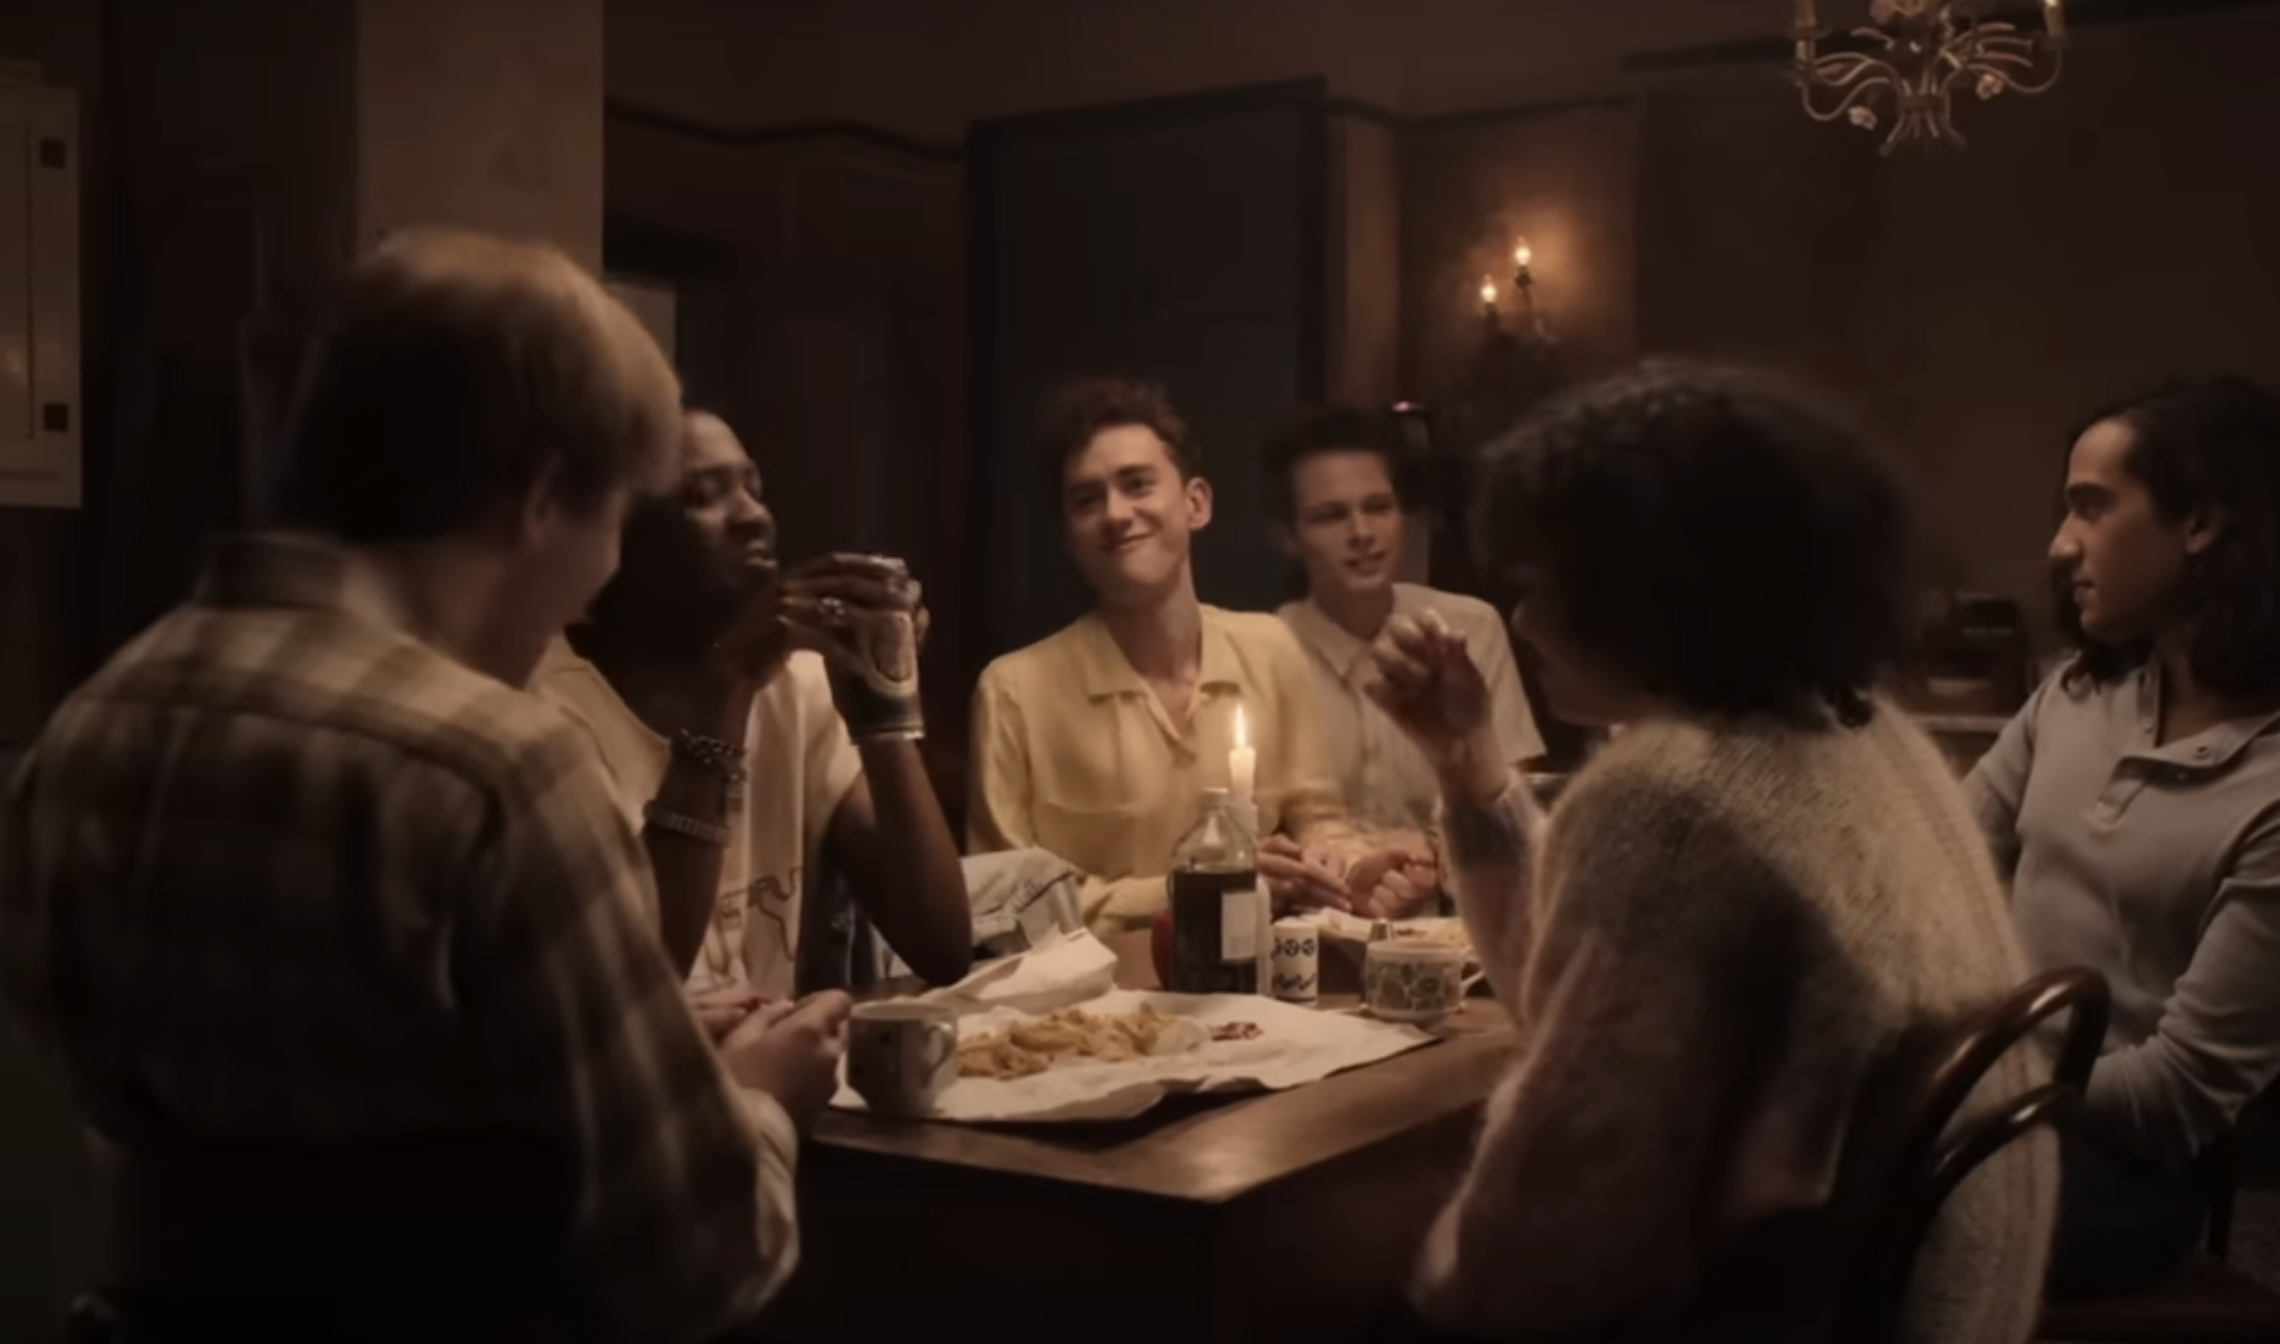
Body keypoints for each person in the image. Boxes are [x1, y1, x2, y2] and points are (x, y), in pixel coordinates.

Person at [0, 230, 841, 1343]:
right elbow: (694, 1255)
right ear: (540, 498)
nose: (598, 576)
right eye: (609, 522)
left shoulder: (89, 724)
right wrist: (754, 1101)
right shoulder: (494, 770)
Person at [1365, 360, 2054, 1342]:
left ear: (1652, 588)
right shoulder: (1865, 736)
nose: (1518, 620)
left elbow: (1547, 1248)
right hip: (1946, 1309)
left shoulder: (1676, 801)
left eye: (1548, 579)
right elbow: (1563, 990)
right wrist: (1469, 760)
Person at [1966, 374, 2280, 1301]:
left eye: (2090, 508)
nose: (2059, 546)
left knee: (1829, 1207)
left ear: (2202, 521)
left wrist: (1969, 1064)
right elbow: (1946, 858)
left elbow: (2173, 1102)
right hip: (1982, 1089)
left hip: (2116, 1167)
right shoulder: (2077, 695)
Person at [533, 407, 973, 996]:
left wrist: (880, 704)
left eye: (753, 487)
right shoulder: (546, 713)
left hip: (774, 1081)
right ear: (615, 536)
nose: (753, 515)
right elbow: (633, 992)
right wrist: (728, 690)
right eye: (702, 495)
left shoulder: (797, 685)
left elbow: (941, 947)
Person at [969, 377, 1395, 931]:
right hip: (1088, 1009)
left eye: (1137, 484)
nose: (1116, 513)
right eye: (1086, 499)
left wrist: (1348, 869)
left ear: (1196, 504)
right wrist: (1184, 891)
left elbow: (1320, 819)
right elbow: (999, 905)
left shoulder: (1268, 649)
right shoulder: (1014, 692)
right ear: (1071, 537)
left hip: (1256, 999)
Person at [1265, 406, 1545, 914]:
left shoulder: (1467, 628)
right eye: (1331, 515)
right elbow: (1263, 826)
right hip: (1313, 930)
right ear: (1289, 536)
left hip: (1458, 923)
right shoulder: (1263, 648)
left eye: (1378, 507)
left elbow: (1511, 798)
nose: (1362, 532)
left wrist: (1433, 859)